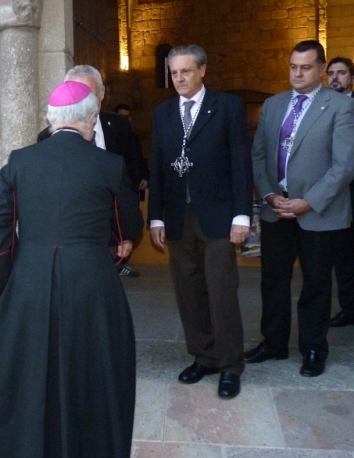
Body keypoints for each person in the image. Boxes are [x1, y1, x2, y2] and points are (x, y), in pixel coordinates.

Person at [0, 80, 143, 458]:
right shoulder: (109, 165)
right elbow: (128, 224)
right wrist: (113, 245)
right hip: (91, 284)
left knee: (27, 381)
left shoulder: (20, 161)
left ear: (52, 119)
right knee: (93, 378)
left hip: (28, 283)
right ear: (91, 119)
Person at [149, 44, 252, 400]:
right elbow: (158, 167)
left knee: (221, 289)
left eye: (186, 71)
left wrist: (243, 214)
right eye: (174, 72)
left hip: (220, 214)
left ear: (202, 70)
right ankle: (203, 356)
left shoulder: (227, 107)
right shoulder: (162, 113)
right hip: (178, 215)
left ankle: (229, 365)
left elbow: (240, 161)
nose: (179, 78)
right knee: (188, 289)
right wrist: (156, 216)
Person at [247, 41, 354, 377]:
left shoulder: (339, 106)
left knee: (317, 284)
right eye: (293, 66)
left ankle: (312, 349)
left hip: (318, 213)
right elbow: (259, 155)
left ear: (321, 69)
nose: (297, 73)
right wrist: (268, 195)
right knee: (272, 281)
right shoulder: (273, 104)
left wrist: (308, 201)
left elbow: (344, 165)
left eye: (305, 67)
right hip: (276, 210)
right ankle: (274, 343)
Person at [39, 65, 142, 277]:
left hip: (110, 232)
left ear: (102, 94)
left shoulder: (120, 126)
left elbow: (128, 181)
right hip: (68, 234)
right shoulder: (46, 137)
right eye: (76, 93)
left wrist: (127, 233)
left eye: (89, 94)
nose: (82, 102)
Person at [326, 57, 354, 327]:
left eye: (341, 73)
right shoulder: (324, 107)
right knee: (343, 258)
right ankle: (349, 309)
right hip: (337, 195)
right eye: (331, 73)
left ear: (351, 77)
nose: (335, 78)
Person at [114, 103, 150, 198]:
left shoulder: (134, 136)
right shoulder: (111, 136)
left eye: (128, 117)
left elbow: (139, 158)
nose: (126, 120)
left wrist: (145, 177)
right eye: (123, 117)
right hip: (117, 184)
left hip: (133, 185)